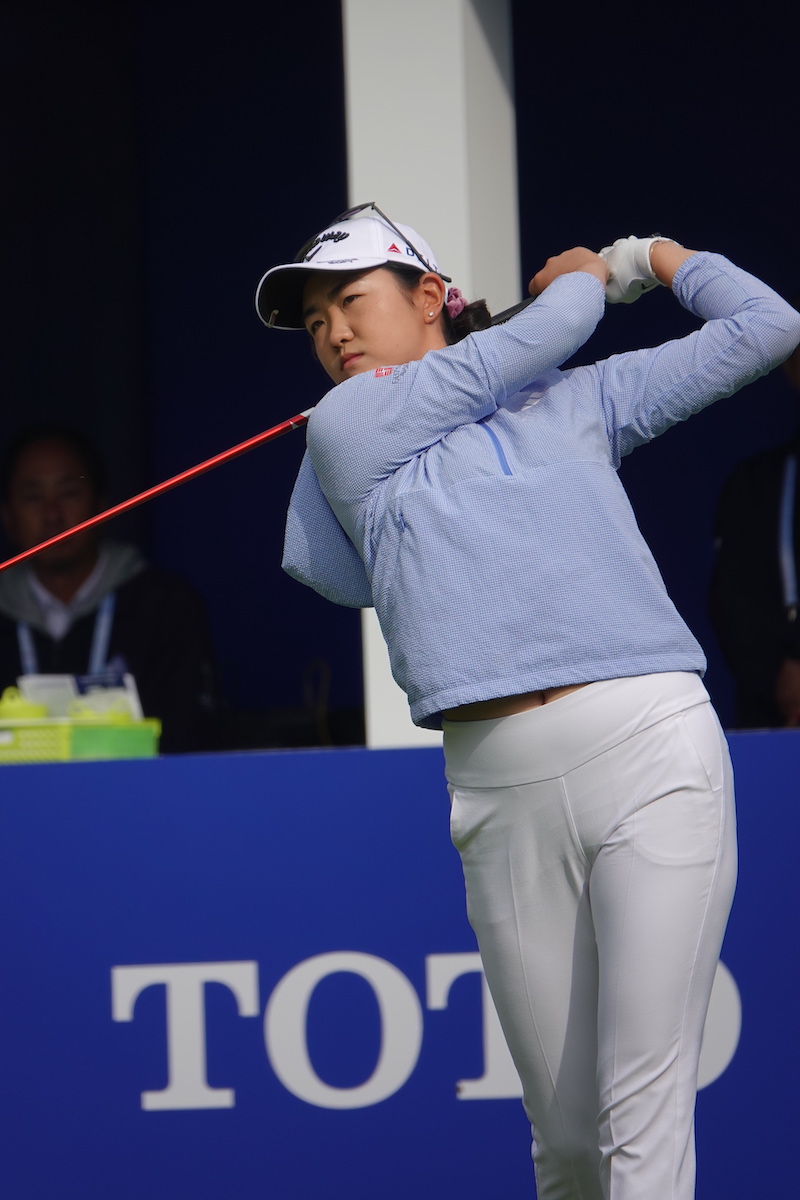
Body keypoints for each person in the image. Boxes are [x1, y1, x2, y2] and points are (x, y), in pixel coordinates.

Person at [255, 205, 800, 1199]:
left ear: (429, 296)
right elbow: (555, 323)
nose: (332, 332)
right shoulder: (346, 426)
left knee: (642, 1114)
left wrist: (649, 256)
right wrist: (590, 276)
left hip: (649, 740)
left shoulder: (573, 400)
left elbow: (768, 328)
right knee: (568, 1140)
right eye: (314, 323)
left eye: (351, 301)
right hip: (499, 788)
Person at [0, 426, 218, 753]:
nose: (53, 515)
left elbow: (190, 738)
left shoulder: (165, 606)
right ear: (7, 517)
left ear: (101, 506)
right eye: (33, 497)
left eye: (69, 493)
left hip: (138, 785)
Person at [709, 335, 800, 727]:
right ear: (790, 366)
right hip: (779, 722)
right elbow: (735, 601)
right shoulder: (755, 484)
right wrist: (783, 668)